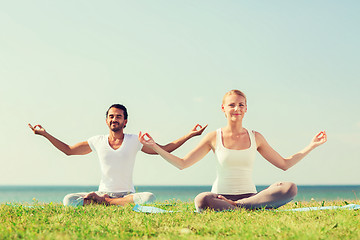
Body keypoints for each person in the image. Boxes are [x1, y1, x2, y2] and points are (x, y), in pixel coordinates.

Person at [139, 90, 327, 211]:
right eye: (232, 105)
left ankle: (238, 206)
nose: (236, 108)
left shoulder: (256, 137)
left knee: (289, 187)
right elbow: (182, 164)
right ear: (223, 109)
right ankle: (245, 207)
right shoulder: (213, 137)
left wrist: (312, 145)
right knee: (202, 200)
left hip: (252, 197)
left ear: (246, 109)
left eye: (241, 104)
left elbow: (284, 164)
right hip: (220, 197)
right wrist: (155, 146)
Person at [29, 104, 207, 207]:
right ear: (106, 120)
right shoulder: (97, 141)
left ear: (125, 121)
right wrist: (45, 134)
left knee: (149, 198)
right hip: (103, 191)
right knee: (68, 200)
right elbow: (68, 150)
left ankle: (104, 202)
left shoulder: (135, 140)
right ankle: (105, 200)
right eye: (111, 116)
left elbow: (165, 149)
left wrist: (189, 135)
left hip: (127, 195)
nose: (115, 119)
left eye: (119, 117)